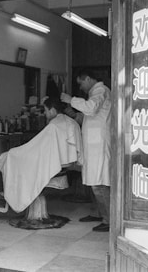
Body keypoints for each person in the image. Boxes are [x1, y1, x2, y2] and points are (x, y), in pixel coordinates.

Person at [0, 97, 83, 213]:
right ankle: (1, 191)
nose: (45, 114)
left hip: (54, 166)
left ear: (52, 110)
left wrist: (17, 152)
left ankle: (1, 192)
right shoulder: (71, 122)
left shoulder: (54, 126)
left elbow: (36, 147)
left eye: (45, 110)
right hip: (63, 165)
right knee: (16, 159)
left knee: (9, 156)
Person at [60, 70, 111, 232]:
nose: (80, 87)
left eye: (81, 83)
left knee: (99, 184)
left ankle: (108, 219)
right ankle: (99, 213)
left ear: (88, 78)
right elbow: (89, 117)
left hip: (99, 144)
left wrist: (71, 100)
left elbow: (91, 108)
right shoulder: (95, 93)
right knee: (92, 181)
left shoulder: (101, 91)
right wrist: (75, 115)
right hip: (93, 144)